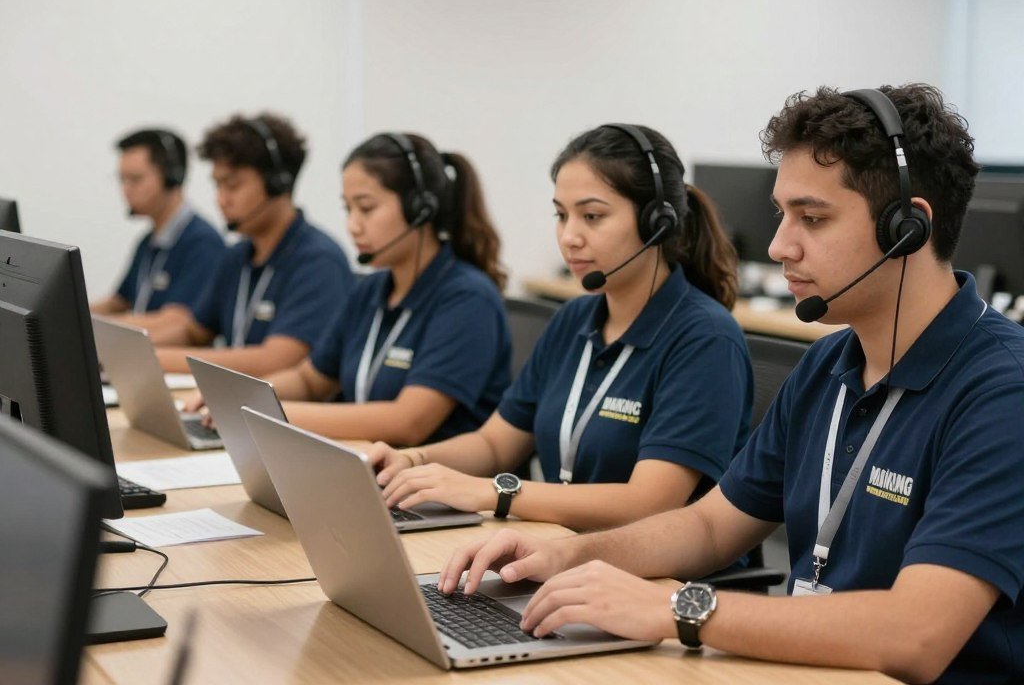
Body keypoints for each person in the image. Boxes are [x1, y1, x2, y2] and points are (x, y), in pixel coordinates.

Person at [438, 86, 1024, 685]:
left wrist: (678, 609)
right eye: (782, 215)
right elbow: (712, 525)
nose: (778, 246)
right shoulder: (827, 366)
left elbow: (916, 635)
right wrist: (569, 555)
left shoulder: (1003, 392)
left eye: (813, 219)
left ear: (908, 228)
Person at [368, 124, 753, 533]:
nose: (569, 237)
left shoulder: (705, 338)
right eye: (561, 215)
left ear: (657, 222)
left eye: (592, 216)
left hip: (660, 581)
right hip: (560, 549)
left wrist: (496, 493)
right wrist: (413, 461)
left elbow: (650, 502)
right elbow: (495, 443)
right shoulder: (574, 319)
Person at [265, 132, 512, 445]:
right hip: (363, 469)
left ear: (420, 209)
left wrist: (270, 414)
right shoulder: (371, 289)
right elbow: (310, 380)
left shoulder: (468, 299)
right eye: (348, 209)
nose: (352, 225)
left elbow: (406, 423)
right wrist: (242, 396)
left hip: (429, 486)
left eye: (366, 209)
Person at [126, 113, 354, 376]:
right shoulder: (237, 256)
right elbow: (193, 331)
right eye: (217, 185)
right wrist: (129, 347)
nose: (221, 200)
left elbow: (276, 361)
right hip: (234, 404)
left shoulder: (318, 261)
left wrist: (150, 358)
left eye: (232, 186)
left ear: (277, 184)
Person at [91, 128, 224, 315]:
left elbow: (177, 323)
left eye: (135, 179)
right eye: (122, 180)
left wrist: (98, 329)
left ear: (172, 176)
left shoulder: (202, 243)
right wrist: (71, 315)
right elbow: (118, 302)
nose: (125, 190)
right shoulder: (148, 242)